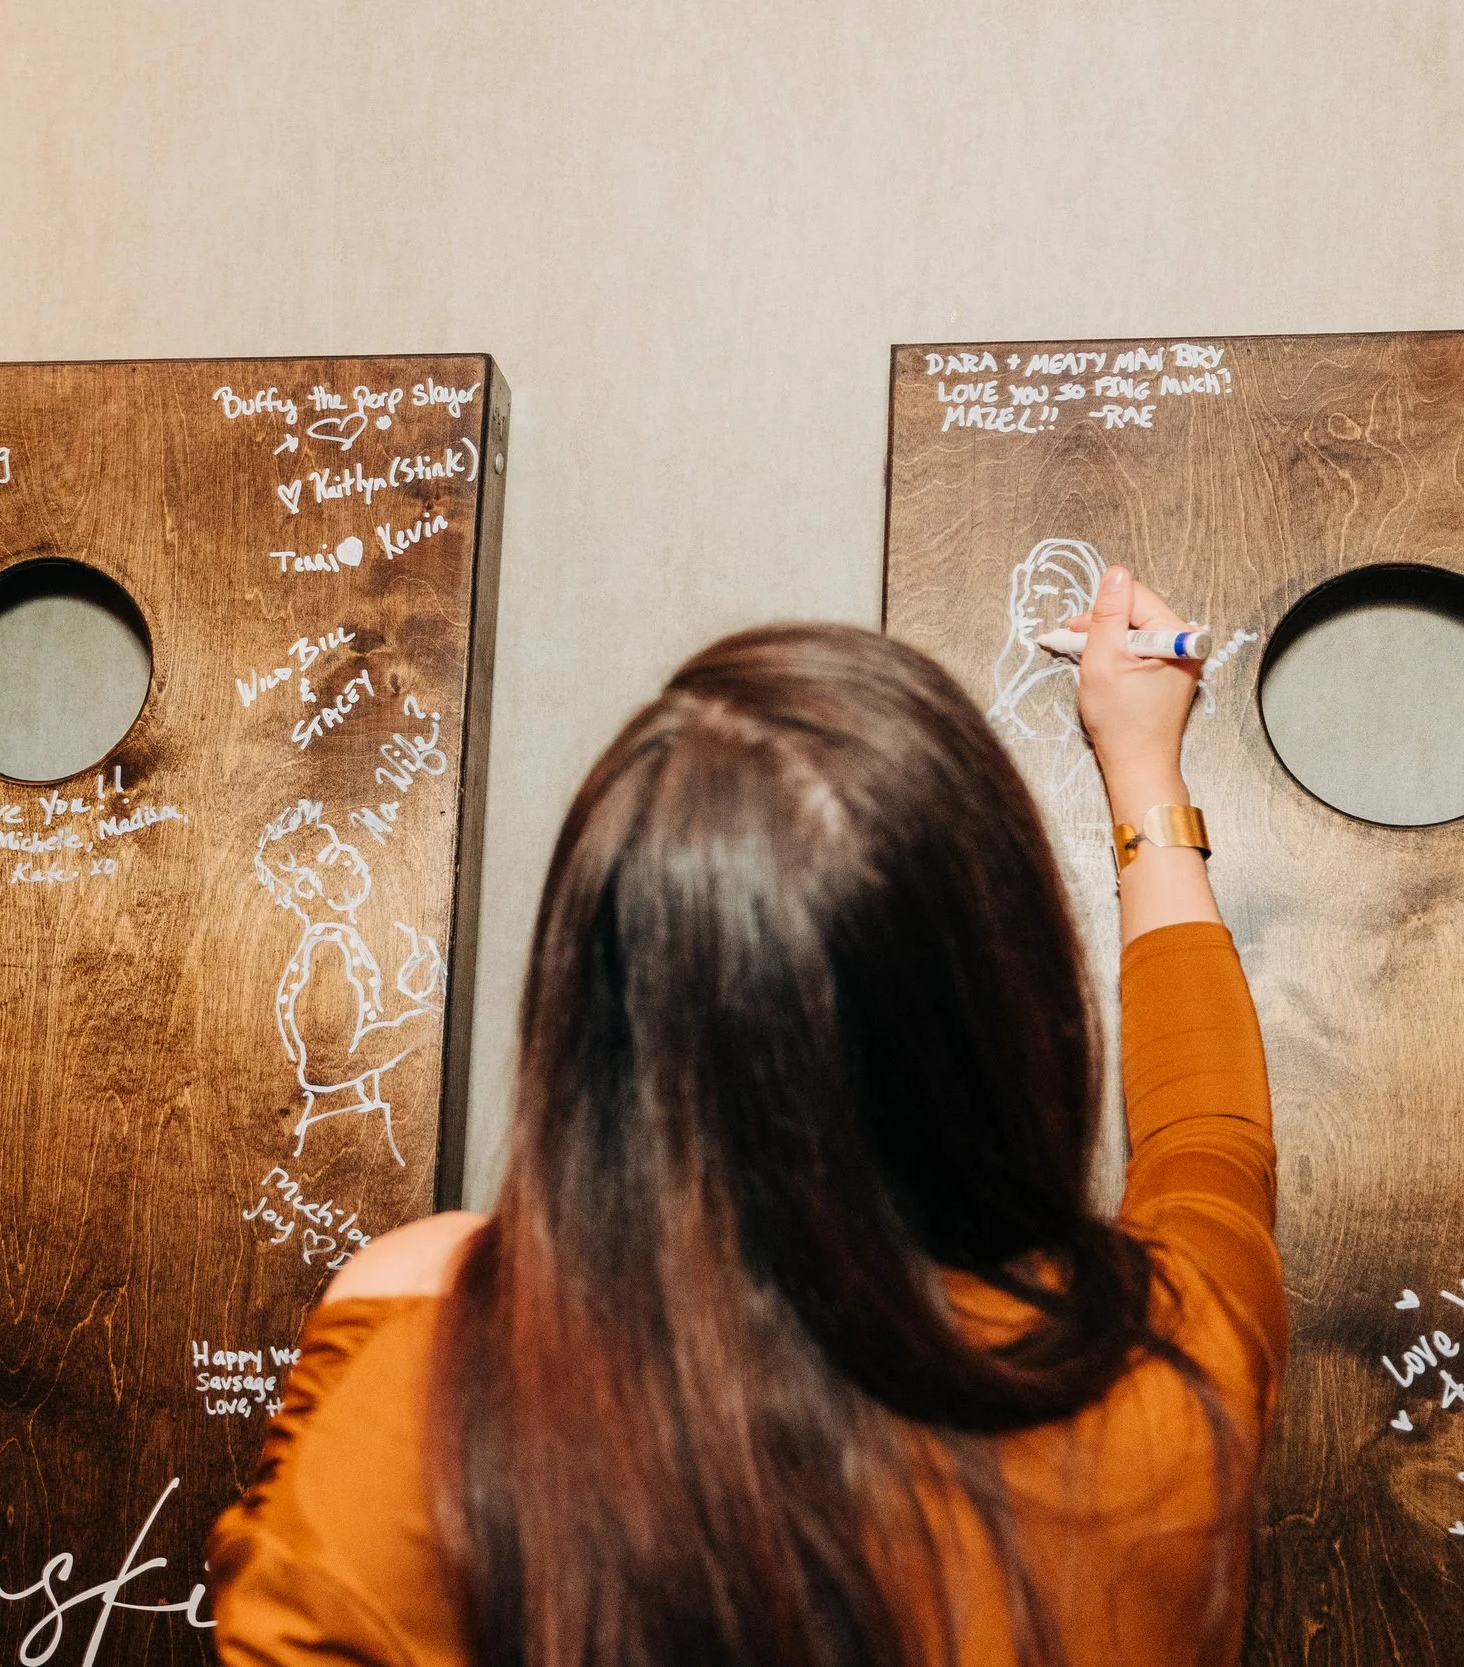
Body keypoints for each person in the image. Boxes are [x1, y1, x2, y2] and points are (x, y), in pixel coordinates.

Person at [208, 567, 1281, 1667]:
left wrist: (422, 1303)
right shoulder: (1172, 1352)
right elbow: (1213, 1143)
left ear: (594, 996)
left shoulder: (424, 1397)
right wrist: (1144, 768)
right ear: (1011, 992)